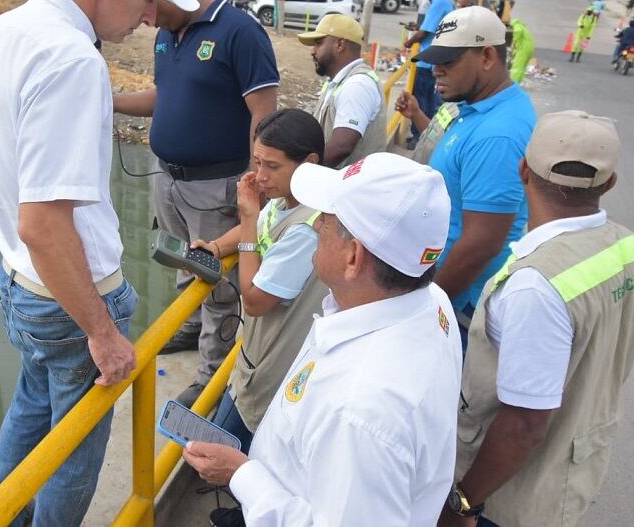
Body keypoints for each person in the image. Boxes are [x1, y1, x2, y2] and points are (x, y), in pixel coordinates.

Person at [0, 0, 197, 525]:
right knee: (74, 456)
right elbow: (45, 225)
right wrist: (102, 332)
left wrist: (12, 245)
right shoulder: (71, 58)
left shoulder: (5, 31)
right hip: (72, 296)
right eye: (147, 0)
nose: (149, 21)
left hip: (23, 284)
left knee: (31, 412)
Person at [182, 152, 463, 526]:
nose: (314, 226)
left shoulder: (361, 412)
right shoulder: (431, 303)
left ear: (353, 256)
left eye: (326, 220)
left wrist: (241, 475)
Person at [440, 111, 634, 527]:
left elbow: (524, 425)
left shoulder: (534, 285)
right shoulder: (633, 248)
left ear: (523, 169)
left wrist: (462, 505)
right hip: (576, 470)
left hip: (509, 499)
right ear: (609, 183)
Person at [113, 0, 278, 407]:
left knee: (217, 282)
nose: (146, 18)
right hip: (168, 178)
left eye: (150, 4)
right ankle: (190, 326)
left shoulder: (239, 32)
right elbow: (164, 97)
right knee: (187, 265)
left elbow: (264, 112)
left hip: (216, 185)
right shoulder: (168, 36)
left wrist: (258, 184)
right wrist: (107, 100)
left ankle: (209, 378)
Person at [394, 6, 536, 348]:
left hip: (457, 306)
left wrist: (425, 308)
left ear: (487, 56)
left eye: (449, 61)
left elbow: (482, 243)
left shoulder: (497, 134)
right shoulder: (476, 107)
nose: (435, 70)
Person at [190, 109, 327, 456]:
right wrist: (217, 247)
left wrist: (248, 216)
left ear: (309, 162)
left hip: (273, 369)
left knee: (238, 451)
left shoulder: (307, 228)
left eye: (272, 166)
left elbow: (254, 300)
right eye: (256, 162)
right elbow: (263, 224)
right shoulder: (287, 198)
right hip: (254, 357)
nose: (260, 176)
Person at [296, 14, 387, 168]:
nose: (313, 51)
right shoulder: (337, 81)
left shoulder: (357, 85)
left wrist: (300, 175)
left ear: (339, 44)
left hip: (351, 188)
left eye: (318, 44)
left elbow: (341, 146)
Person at [403, 0, 455, 147]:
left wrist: (409, 41)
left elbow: (425, 33)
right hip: (433, 58)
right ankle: (423, 135)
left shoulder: (440, 1)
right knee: (430, 100)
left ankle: (421, 138)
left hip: (427, 62)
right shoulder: (445, 0)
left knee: (423, 100)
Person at [508, 17, 534, 85]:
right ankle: (518, 81)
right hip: (529, 49)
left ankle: (513, 83)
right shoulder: (524, 28)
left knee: (517, 66)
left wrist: (513, 41)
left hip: (523, 49)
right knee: (522, 67)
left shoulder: (517, 26)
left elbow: (517, 31)